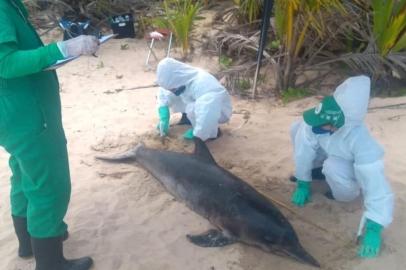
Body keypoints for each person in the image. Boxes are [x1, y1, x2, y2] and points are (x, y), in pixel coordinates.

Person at [0, 1, 99, 269]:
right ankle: (50, 262)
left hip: (15, 112)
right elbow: (5, 63)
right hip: (27, 114)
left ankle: (29, 242)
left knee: (24, 174)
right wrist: (62, 48)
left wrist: (58, 54)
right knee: (49, 185)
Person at [290, 75, 394, 258]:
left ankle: (345, 192)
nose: (319, 123)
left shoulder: (362, 143)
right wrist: (302, 181)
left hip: (345, 165)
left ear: (340, 124)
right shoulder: (325, 117)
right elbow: (303, 150)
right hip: (328, 149)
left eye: (326, 122)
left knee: (333, 168)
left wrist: (374, 226)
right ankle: (315, 172)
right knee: (297, 127)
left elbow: (376, 185)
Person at [156, 58, 232, 141]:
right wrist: (164, 116)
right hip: (200, 103)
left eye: (172, 88)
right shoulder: (180, 77)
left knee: (192, 108)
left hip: (219, 110)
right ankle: (188, 118)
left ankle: (213, 132)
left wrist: (198, 135)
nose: (171, 90)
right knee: (178, 96)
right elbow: (165, 91)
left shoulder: (203, 83)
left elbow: (207, 112)